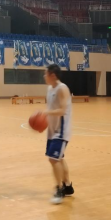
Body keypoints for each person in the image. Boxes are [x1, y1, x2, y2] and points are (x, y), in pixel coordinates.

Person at [43, 64, 74, 205]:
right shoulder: (50, 89)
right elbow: (51, 108)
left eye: (46, 74)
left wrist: (45, 113)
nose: (44, 76)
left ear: (53, 75)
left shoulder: (62, 88)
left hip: (61, 131)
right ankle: (67, 186)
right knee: (59, 158)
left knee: (53, 159)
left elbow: (62, 110)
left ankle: (59, 189)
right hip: (52, 130)